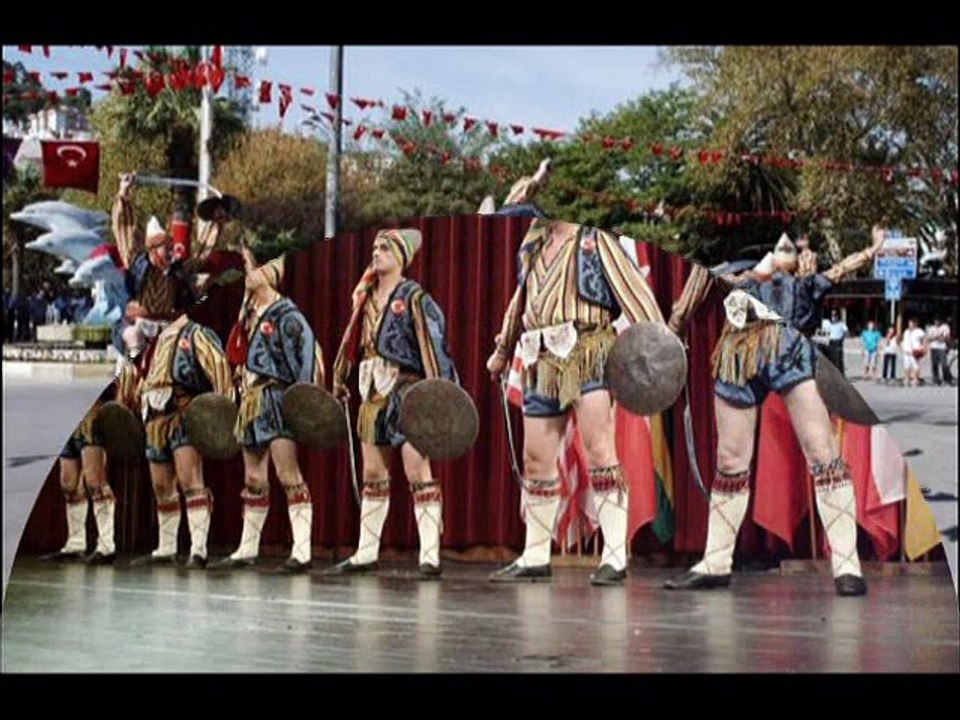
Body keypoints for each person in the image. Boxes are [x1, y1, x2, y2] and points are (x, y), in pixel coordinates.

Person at [664, 225, 887, 597]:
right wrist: (674, 326)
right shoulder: (734, 264)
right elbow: (702, 278)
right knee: (730, 459)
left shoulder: (804, 279)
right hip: (738, 348)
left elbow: (840, 269)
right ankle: (715, 563)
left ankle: (847, 565)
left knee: (823, 452)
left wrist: (873, 249)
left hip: (789, 347)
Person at [485, 218, 667, 586]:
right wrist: (503, 349)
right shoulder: (534, 243)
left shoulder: (596, 240)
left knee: (599, 450)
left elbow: (634, 292)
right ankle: (535, 555)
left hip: (587, 351)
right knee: (535, 459)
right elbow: (521, 300)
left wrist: (661, 346)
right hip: (539, 357)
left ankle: (614, 555)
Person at [326, 228, 459, 579]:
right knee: (373, 472)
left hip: (406, 389)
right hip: (372, 389)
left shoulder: (413, 297)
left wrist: (438, 392)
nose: (376, 253)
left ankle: (429, 555)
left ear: (400, 257)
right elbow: (351, 340)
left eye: (385, 248)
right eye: (374, 247)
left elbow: (432, 343)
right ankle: (366, 552)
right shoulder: (364, 297)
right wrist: (340, 377)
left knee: (416, 467)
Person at [209, 249, 325, 573]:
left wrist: (300, 403)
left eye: (252, 267)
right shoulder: (248, 313)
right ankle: (247, 549)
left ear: (269, 273)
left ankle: (302, 551)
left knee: (288, 474)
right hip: (251, 400)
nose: (247, 272)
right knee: (253, 477)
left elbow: (305, 359)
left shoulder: (286, 315)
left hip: (277, 398)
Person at [117, 312, 233, 568]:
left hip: (183, 413)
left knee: (190, 480)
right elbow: (134, 375)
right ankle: (166, 548)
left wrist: (222, 413)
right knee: (161, 486)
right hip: (154, 417)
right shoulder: (150, 340)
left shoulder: (195, 334)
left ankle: (198, 550)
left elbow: (219, 370)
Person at [39, 386, 117, 564]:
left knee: (95, 481)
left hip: (91, 417)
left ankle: (106, 546)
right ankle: (76, 543)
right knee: (68, 484)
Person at [927, 317, 953, 386]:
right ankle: (936, 379)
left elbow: (947, 337)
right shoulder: (932, 328)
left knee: (944, 364)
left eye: (938, 320)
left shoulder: (945, 327)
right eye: (936, 320)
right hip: (933, 347)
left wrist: (941, 338)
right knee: (934, 364)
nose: (937, 322)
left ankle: (947, 379)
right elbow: (928, 338)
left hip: (942, 348)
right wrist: (935, 337)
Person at [901, 317, 926, 387]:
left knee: (915, 366)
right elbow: (904, 340)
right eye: (909, 323)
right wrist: (903, 346)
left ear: (915, 324)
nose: (910, 324)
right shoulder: (906, 331)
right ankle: (906, 379)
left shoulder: (919, 331)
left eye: (911, 323)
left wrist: (923, 348)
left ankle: (915, 379)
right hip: (907, 351)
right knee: (906, 366)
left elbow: (924, 340)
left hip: (915, 351)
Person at [826, 310, 849, 376]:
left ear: (838, 316)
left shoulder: (841, 324)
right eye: (832, 316)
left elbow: (846, 332)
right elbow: (827, 332)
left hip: (838, 341)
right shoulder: (830, 324)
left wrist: (842, 338)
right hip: (832, 341)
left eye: (835, 315)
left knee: (839, 358)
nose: (833, 317)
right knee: (831, 357)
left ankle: (841, 373)